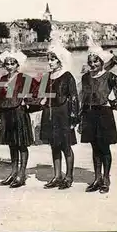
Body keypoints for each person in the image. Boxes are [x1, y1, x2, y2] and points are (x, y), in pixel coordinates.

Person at [78, 42, 117, 194]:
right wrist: (81, 119)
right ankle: (97, 178)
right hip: (89, 114)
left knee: (104, 147)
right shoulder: (86, 78)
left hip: (104, 114)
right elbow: (83, 98)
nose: (93, 64)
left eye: (96, 61)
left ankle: (106, 178)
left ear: (102, 62)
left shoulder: (109, 76)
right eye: (90, 62)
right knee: (94, 147)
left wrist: (113, 103)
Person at [0, 49, 39, 188]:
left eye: (12, 63)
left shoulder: (25, 78)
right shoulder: (2, 79)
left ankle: (22, 174)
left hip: (19, 112)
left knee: (21, 144)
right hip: (6, 114)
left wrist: (27, 101)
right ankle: (13, 172)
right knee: (12, 144)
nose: (9, 66)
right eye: (7, 63)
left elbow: (38, 92)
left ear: (17, 65)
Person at [38, 39, 80, 190]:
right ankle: (57, 176)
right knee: (54, 146)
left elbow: (74, 97)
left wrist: (74, 118)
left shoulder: (67, 76)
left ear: (60, 60)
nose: (50, 62)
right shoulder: (46, 77)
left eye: (53, 59)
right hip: (49, 114)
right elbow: (39, 95)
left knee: (65, 146)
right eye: (48, 59)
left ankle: (68, 176)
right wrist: (41, 100)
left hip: (64, 114)